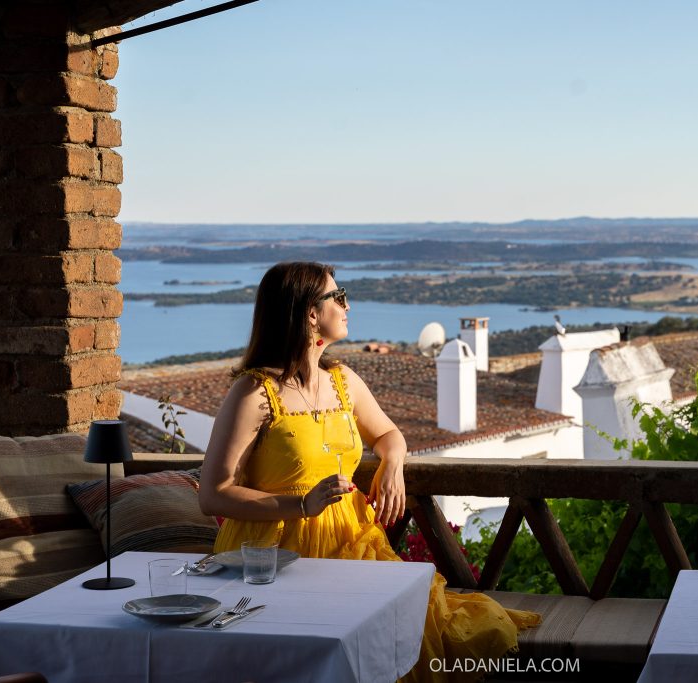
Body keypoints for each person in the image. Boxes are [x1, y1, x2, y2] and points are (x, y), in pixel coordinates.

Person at [199, 261, 539, 681]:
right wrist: (301, 505)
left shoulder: (342, 380)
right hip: (274, 555)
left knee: (406, 628)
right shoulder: (254, 392)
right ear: (310, 313)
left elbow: (389, 434)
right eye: (338, 297)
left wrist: (393, 462)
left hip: (351, 540)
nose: (347, 306)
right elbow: (213, 493)